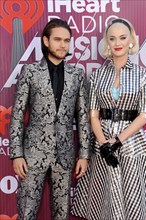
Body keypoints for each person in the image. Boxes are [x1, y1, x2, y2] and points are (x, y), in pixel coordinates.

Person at [71, 18, 146, 220]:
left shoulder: (142, 75)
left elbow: (144, 114)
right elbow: (93, 114)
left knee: (132, 195)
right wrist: (104, 143)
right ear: (107, 42)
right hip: (102, 142)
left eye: (122, 37)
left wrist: (117, 141)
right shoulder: (97, 76)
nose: (117, 43)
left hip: (131, 143)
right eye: (112, 38)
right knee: (103, 197)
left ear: (131, 40)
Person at [9, 18, 90, 220]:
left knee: (61, 214)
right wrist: (16, 154)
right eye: (58, 40)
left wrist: (84, 155)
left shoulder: (77, 74)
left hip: (65, 156)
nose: (63, 45)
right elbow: (18, 114)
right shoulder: (29, 71)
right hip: (32, 155)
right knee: (26, 212)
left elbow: (83, 118)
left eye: (66, 40)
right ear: (46, 41)